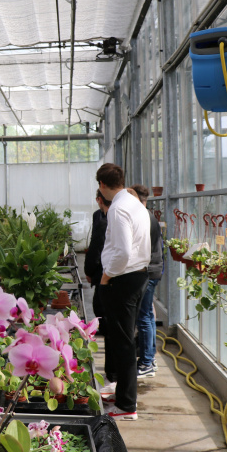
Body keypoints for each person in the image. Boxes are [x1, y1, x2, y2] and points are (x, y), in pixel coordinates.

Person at [97, 163, 150, 421]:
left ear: (102, 185)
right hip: (138, 276)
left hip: (122, 279)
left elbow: (124, 252)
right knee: (124, 338)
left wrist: (106, 276)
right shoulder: (135, 203)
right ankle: (121, 395)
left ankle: (127, 405)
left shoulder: (118, 209)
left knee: (124, 342)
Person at [131, 184, 163, 378]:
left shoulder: (144, 218)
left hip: (148, 272)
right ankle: (149, 358)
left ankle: (146, 363)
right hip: (154, 270)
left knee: (143, 317)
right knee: (148, 316)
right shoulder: (149, 216)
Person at [84, 190, 115, 382]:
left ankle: (113, 374)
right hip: (117, 277)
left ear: (100, 199)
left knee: (106, 321)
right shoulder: (101, 216)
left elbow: (96, 248)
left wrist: (90, 271)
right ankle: (114, 374)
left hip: (108, 277)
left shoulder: (105, 221)